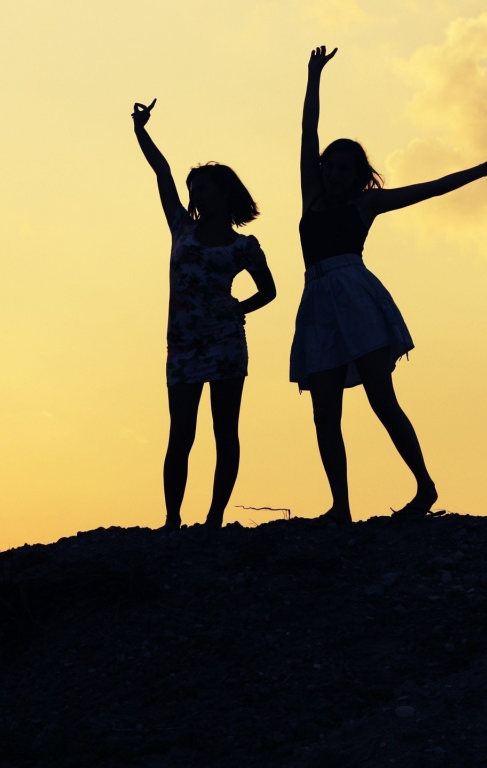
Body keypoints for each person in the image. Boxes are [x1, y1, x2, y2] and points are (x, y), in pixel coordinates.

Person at [292, 46, 487, 524]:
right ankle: (341, 508)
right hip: (317, 302)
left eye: (344, 168)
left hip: (355, 296)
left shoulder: (365, 205)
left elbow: (430, 188)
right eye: (330, 165)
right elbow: (308, 130)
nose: (334, 172)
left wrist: (482, 169)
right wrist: (314, 76)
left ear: (358, 177)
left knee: (381, 398)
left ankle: (424, 486)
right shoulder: (312, 193)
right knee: (324, 411)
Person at [131, 98, 277, 530]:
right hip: (182, 345)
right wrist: (140, 130)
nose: (196, 195)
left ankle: (214, 518)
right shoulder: (182, 227)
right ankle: (172, 519)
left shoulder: (244, 246)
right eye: (194, 189)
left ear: (225, 194)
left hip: (226, 343)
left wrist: (239, 308)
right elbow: (162, 172)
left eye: (205, 188)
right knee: (181, 433)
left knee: (225, 432)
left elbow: (269, 291)